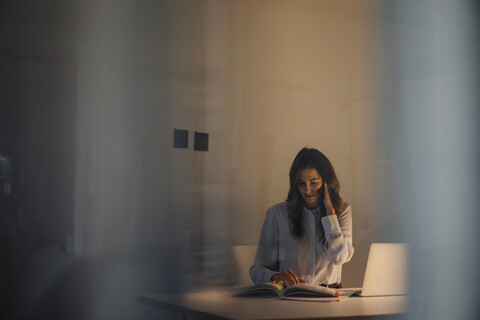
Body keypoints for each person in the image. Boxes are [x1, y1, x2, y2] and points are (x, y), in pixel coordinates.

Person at [249, 147, 354, 288]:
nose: (307, 190)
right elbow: (256, 270)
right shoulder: (277, 213)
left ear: (326, 182)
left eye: (314, 182)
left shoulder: (343, 211)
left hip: (330, 296)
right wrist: (274, 276)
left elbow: (339, 258)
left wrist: (330, 215)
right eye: (301, 183)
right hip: (291, 295)